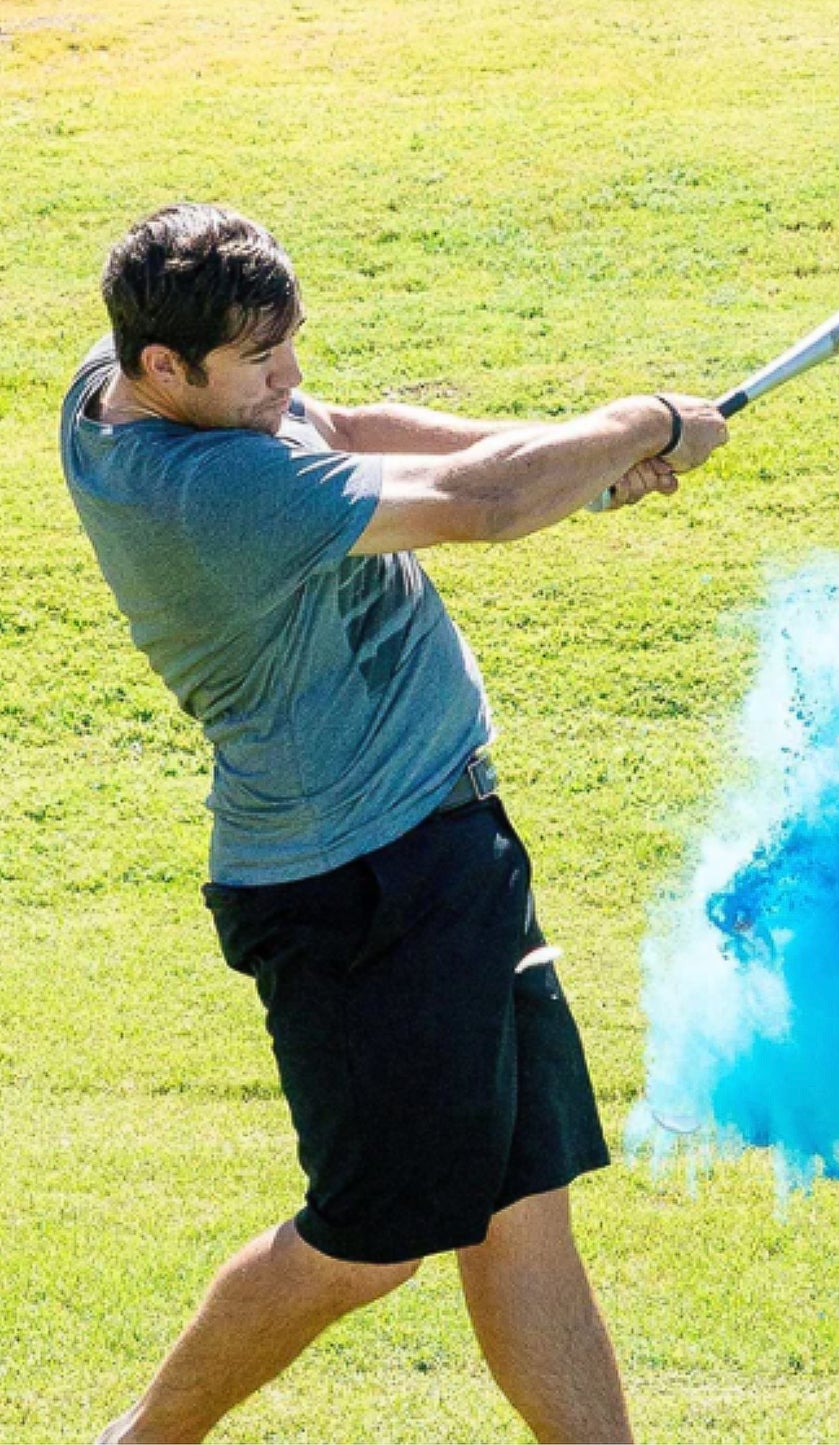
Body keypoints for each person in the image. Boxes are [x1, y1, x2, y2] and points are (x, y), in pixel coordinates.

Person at [60, 202, 729, 1445]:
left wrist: (570, 465)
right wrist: (642, 424)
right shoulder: (210, 492)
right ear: (166, 369)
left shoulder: (129, 380)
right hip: (356, 889)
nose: (291, 380)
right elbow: (477, 506)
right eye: (262, 363)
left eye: (287, 344)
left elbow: (354, 432)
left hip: (445, 846)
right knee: (369, 1245)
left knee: (523, 1204)